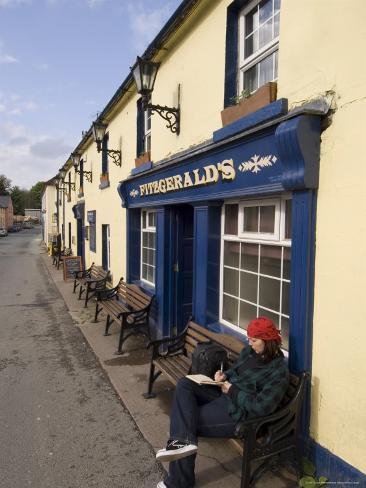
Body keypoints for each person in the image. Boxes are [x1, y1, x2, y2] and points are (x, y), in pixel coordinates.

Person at [155, 316, 289, 488]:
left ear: (268, 341)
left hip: (239, 413)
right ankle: (182, 450)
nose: (249, 343)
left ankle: (179, 481)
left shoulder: (278, 372)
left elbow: (261, 407)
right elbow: (236, 371)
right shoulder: (249, 353)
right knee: (185, 384)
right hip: (223, 393)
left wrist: (232, 390)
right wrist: (225, 376)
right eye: (249, 338)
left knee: (186, 419)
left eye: (254, 340)